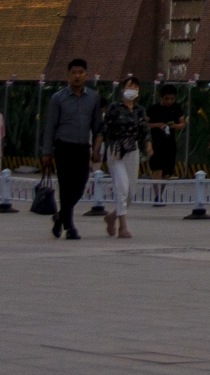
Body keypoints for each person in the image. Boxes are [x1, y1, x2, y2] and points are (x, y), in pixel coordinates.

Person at [40, 59, 101, 241]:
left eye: (80, 72)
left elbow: (97, 127)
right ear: (68, 75)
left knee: (80, 187)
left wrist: (96, 150)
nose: (77, 75)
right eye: (74, 72)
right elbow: (50, 126)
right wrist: (46, 152)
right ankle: (70, 227)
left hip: (83, 148)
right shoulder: (58, 98)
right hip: (63, 147)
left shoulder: (93, 98)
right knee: (66, 187)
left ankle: (60, 217)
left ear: (86, 75)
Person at [95, 79, 148, 240]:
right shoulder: (114, 108)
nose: (132, 89)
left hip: (133, 151)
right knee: (122, 187)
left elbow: (145, 130)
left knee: (131, 192)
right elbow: (104, 129)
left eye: (135, 87)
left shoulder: (140, 110)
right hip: (116, 151)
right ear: (122, 89)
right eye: (129, 86)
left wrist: (149, 144)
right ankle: (123, 227)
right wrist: (96, 150)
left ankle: (112, 216)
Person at [145, 84, 184, 204]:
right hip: (157, 143)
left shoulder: (176, 108)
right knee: (157, 169)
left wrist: (175, 126)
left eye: (172, 98)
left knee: (166, 172)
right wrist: (157, 125)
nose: (169, 101)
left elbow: (182, 124)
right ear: (161, 97)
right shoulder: (153, 109)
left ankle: (161, 193)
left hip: (170, 143)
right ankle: (157, 195)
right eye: (167, 98)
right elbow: (145, 124)